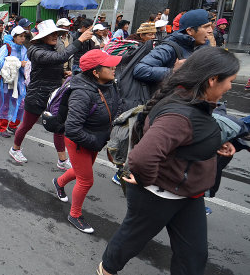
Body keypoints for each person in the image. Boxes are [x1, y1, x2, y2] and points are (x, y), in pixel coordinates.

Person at [97, 47, 239, 275]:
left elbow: (186, 141)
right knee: (131, 240)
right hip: (157, 194)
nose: (231, 86)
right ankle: (106, 269)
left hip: (189, 193)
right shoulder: (179, 114)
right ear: (212, 80)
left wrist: (216, 145)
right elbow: (143, 158)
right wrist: (146, 180)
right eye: (230, 81)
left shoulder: (194, 100)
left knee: (194, 255)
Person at [52, 50, 122, 233]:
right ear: (96, 72)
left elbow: (116, 106)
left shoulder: (109, 84)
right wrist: (96, 141)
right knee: (86, 180)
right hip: (80, 141)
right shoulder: (81, 93)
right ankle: (74, 215)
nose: (114, 68)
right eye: (109, 66)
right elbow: (73, 129)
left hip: (96, 139)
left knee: (80, 171)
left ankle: (58, 182)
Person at [10, 20, 93, 167]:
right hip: (37, 96)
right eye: (52, 34)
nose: (56, 36)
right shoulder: (36, 51)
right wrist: (80, 40)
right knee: (26, 125)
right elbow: (59, 58)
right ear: (43, 37)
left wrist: (63, 73)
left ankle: (62, 160)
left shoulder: (51, 49)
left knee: (58, 127)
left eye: (56, 33)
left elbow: (51, 66)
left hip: (53, 96)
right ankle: (15, 149)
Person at [134, 9, 211, 85]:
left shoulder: (203, 47)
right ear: (189, 31)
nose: (210, 30)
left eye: (210, 26)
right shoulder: (168, 48)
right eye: (206, 27)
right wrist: (173, 71)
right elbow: (140, 70)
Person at [0, 26, 28, 137]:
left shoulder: (24, 49)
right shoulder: (6, 48)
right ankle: (2, 128)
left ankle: (13, 125)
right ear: (14, 37)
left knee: (21, 104)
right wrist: (18, 63)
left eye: (24, 36)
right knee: (5, 104)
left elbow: (26, 63)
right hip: (7, 82)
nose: (22, 39)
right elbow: (0, 63)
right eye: (20, 36)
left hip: (20, 82)